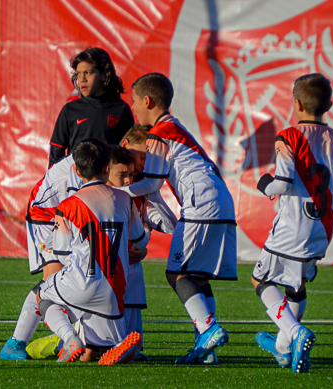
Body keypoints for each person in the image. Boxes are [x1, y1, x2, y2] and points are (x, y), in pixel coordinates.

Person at [25, 138, 177, 361]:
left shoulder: (67, 205)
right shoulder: (125, 199)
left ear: (76, 170)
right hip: (114, 290)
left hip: (81, 280)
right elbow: (140, 240)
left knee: (42, 296)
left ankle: (69, 338)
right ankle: (114, 347)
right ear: (107, 168)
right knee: (91, 354)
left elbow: (61, 252)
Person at [122, 73, 237, 364]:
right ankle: (205, 346)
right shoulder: (175, 127)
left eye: (135, 101)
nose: (133, 107)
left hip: (201, 203)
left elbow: (151, 185)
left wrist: (116, 191)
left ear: (147, 101)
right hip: (221, 200)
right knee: (197, 277)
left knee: (176, 273)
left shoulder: (159, 132)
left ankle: (207, 328)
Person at [253, 73, 333, 373]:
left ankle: (296, 332)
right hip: (322, 230)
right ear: (330, 104)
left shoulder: (288, 136)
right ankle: (285, 348)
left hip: (292, 226)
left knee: (260, 281)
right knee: (295, 288)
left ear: (296, 103)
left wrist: (265, 186)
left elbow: (283, 182)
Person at [0, 138, 91, 360]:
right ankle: (15, 343)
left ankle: (68, 339)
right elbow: (76, 204)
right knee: (53, 284)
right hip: (46, 217)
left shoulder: (101, 163)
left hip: (63, 214)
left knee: (76, 278)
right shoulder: (76, 173)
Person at [48, 47, 134, 166]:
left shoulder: (121, 109)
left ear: (104, 75)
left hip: (109, 182)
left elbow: (130, 152)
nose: (82, 79)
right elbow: (56, 153)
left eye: (88, 73)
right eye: (78, 74)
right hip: (77, 182)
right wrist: (54, 182)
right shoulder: (69, 110)